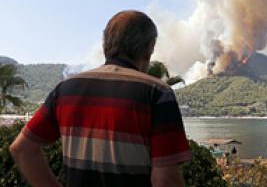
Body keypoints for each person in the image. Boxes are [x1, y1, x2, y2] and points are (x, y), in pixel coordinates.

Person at [9, 10, 191, 187]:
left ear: (106, 44)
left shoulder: (65, 89)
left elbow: (22, 149)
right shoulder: (157, 93)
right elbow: (166, 180)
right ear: (149, 47)